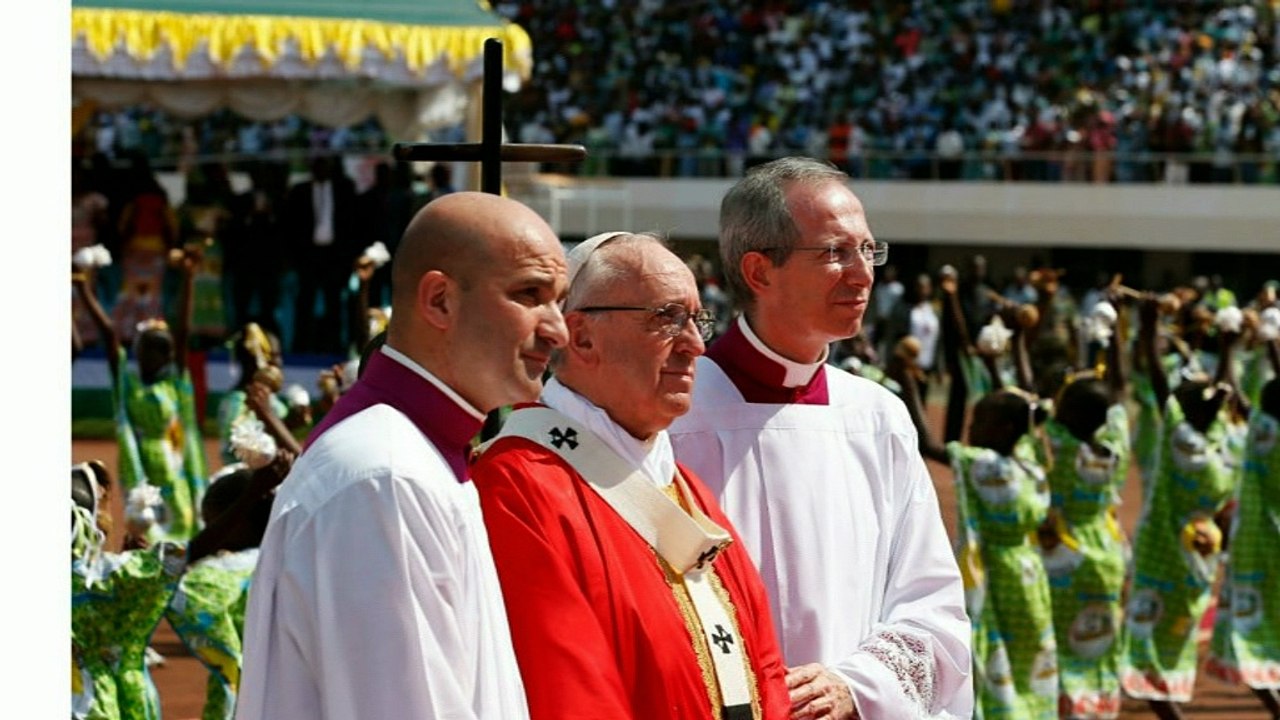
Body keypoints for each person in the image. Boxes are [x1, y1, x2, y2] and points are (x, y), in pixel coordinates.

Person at [236, 192, 570, 720]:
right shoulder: (385, 479)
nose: (558, 330)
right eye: (529, 294)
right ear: (439, 300)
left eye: (559, 302)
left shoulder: (414, 457)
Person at [669, 157, 972, 720]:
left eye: (868, 250)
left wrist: (855, 686)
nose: (863, 274)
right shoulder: (673, 414)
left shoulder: (877, 417)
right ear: (759, 272)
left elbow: (931, 603)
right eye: (835, 252)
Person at [471, 232, 790, 720]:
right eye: (667, 318)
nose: (695, 345)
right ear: (581, 337)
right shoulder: (516, 487)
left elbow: (764, 662)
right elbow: (565, 692)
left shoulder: (687, 489)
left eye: (698, 320)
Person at [74, 245, 208, 542]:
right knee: (146, 537)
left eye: (162, 351)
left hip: (174, 471)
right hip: (141, 472)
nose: (157, 356)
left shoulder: (175, 384)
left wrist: (188, 278)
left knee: (184, 535)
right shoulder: (128, 384)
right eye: (149, 350)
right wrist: (83, 288)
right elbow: (109, 335)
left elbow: (183, 333)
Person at [284, 154, 359, 354]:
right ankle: (301, 345)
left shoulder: (343, 189)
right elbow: (290, 226)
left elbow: (352, 223)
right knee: (305, 300)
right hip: (308, 255)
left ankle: (334, 345)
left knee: (333, 301)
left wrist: (348, 256)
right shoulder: (300, 191)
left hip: (334, 256)